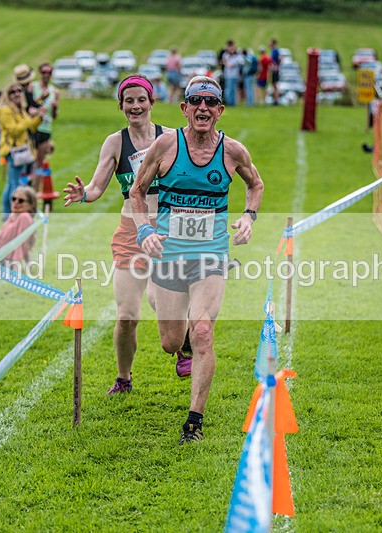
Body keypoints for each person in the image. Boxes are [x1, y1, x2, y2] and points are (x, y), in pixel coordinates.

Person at [130, 76, 264, 444]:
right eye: (195, 101)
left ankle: (194, 421)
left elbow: (256, 184)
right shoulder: (166, 144)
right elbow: (137, 191)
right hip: (170, 254)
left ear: (220, 111)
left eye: (210, 102)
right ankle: (181, 342)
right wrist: (145, 231)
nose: (202, 108)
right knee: (171, 342)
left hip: (211, 254)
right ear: (184, 108)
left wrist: (248, 217)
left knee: (202, 329)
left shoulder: (233, 151)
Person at [62, 75, 185, 395]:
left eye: (141, 100)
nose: (135, 106)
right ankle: (124, 378)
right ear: (121, 106)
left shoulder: (171, 138)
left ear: (151, 102)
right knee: (127, 314)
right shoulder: (115, 143)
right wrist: (83, 194)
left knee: (160, 299)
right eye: (128, 101)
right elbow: (98, 186)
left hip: (166, 232)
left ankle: (182, 341)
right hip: (131, 232)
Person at [0, 81, 42, 220]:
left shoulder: (20, 108)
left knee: (12, 183)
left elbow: (31, 128)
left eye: (19, 91)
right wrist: (30, 119)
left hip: (22, 150)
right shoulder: (5, 110)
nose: (16, 94)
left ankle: (8, 214)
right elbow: (14, 130)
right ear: (7, 95)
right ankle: (13, 214)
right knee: (16, 184)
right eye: (12, 91)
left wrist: (38, 116)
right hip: (13, 151)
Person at [0, 185, 37, 266]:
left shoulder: (24, 217)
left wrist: (15, 266)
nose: (16, 202)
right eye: (14, 199)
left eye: (21, 201)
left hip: (2, 258)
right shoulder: (14, 214)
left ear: (30, 204)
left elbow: (21, 243)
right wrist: (29, 263)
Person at [31, 62, 59, 178]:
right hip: (33, 127)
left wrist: (55, 108)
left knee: (40, 162)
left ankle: (36, 192)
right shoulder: (33, 87)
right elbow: (30, 106)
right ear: (40, 73)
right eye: (44, 72)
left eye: (49, 72)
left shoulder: (55, 91)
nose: (46, 75)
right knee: (31, 160)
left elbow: (55, 116)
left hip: (46, 128)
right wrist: (41, 99)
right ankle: (26, 188)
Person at [221, 40, 241, 106]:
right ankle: (228, 102)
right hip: (228, 75)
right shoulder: (226, 55)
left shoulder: (237, 55)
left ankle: (232, 102)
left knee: (233, 89)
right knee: (228, 89)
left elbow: (238, 62)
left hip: (234, 75)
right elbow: (225, 63)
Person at [269, 38, 281, 105]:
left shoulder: (276, 50)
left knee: (275, 85)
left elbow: (280, 58)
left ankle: (276, 100)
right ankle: (275, 100)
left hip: (275, 71)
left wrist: (277, 66)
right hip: (273, 70)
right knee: (274, 85)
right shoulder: (273, 51)